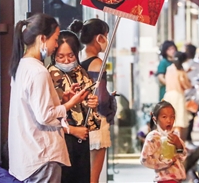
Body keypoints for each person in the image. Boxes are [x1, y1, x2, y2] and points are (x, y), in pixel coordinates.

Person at [8, 13, 90, 182]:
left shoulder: (22, 66)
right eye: (56, 38)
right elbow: (45, 116)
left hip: (28, 156)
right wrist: (71, 104)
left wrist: (61, 101)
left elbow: (35, 108)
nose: (56, 44)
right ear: (42, 38)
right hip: (42, 156)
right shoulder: (39, 71)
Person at [69, 18, 117, 183]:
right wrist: (111, 99)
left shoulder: (77, 59)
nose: (107, 41)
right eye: (106, 36)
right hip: (96, 122)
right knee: (93, 178)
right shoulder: (97, 63)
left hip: (79, 121)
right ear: (99, 38)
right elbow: (102, 100)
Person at [47, 30, 99, 183]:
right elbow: (47, 114)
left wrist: (92, 103)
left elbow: (89, 105)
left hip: (82, 136)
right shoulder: (49, 75)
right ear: (54, 56)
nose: (66, 60)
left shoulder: (82, 72)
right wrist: (72, 130)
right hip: (62, 139)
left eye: (71, 55)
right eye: (61, 56)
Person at [140, 100, 187, 183]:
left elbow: (183, 157)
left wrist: (179, 145)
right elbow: (144, 160)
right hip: (165, 180)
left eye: (172, 117)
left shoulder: (174, 135)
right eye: (164, 117)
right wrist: (165, 162)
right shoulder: (153, 137)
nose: (169, 120)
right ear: (155, 119)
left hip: (178, 179)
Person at [163, 51, 193, 140]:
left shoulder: (169, 68)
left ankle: (169, 143)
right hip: (178, 95)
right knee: (179, 122)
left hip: (168, 95)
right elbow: (186, 85)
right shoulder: (180, 70)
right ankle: (178, 145)